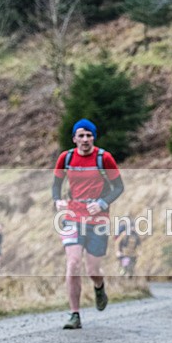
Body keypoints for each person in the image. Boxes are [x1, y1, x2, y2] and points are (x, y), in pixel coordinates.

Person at [52, 118, 124, 330]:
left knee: (93, 269)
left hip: (97, 220)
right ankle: (75, 314)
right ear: (74, 138)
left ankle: (99, 287)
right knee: (73, 263)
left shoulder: (104, 158)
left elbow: (119, 187)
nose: (85, 139)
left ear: (93, 137)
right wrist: (58, 200)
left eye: (89, 135)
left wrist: (102, 203)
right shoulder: (65, 158)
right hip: (72, 217)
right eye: (81, 135)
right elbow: (55, 186)